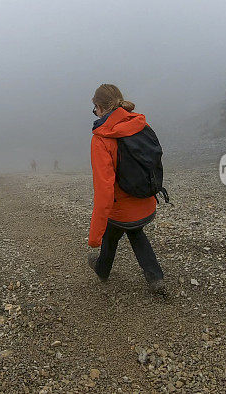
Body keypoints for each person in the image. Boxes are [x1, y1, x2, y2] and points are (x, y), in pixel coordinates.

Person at [86, 84, 165, 294]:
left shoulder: (101, 139)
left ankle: (102, 270)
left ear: (100, 107)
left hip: (122, 209)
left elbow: (104, 191)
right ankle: (155, 277)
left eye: (95, 108)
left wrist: (93, 236)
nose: (95, 113)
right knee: (133, 232)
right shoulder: (140, 124)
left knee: (112, 233)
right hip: (146, 202)